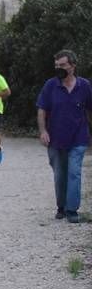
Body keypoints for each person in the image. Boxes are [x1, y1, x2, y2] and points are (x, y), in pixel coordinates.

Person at [36, 49, 92, 223]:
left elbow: (90, 110)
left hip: (79, 137)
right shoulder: (51, 85)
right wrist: (43, 131)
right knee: (60, 174)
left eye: (62, 65)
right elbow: (42, 110)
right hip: (56, 138)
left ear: (73, 66)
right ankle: (61, 206)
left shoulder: (85, 86)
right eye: (56, 65)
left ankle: (72, 210)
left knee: (74, 172)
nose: (58, 68)